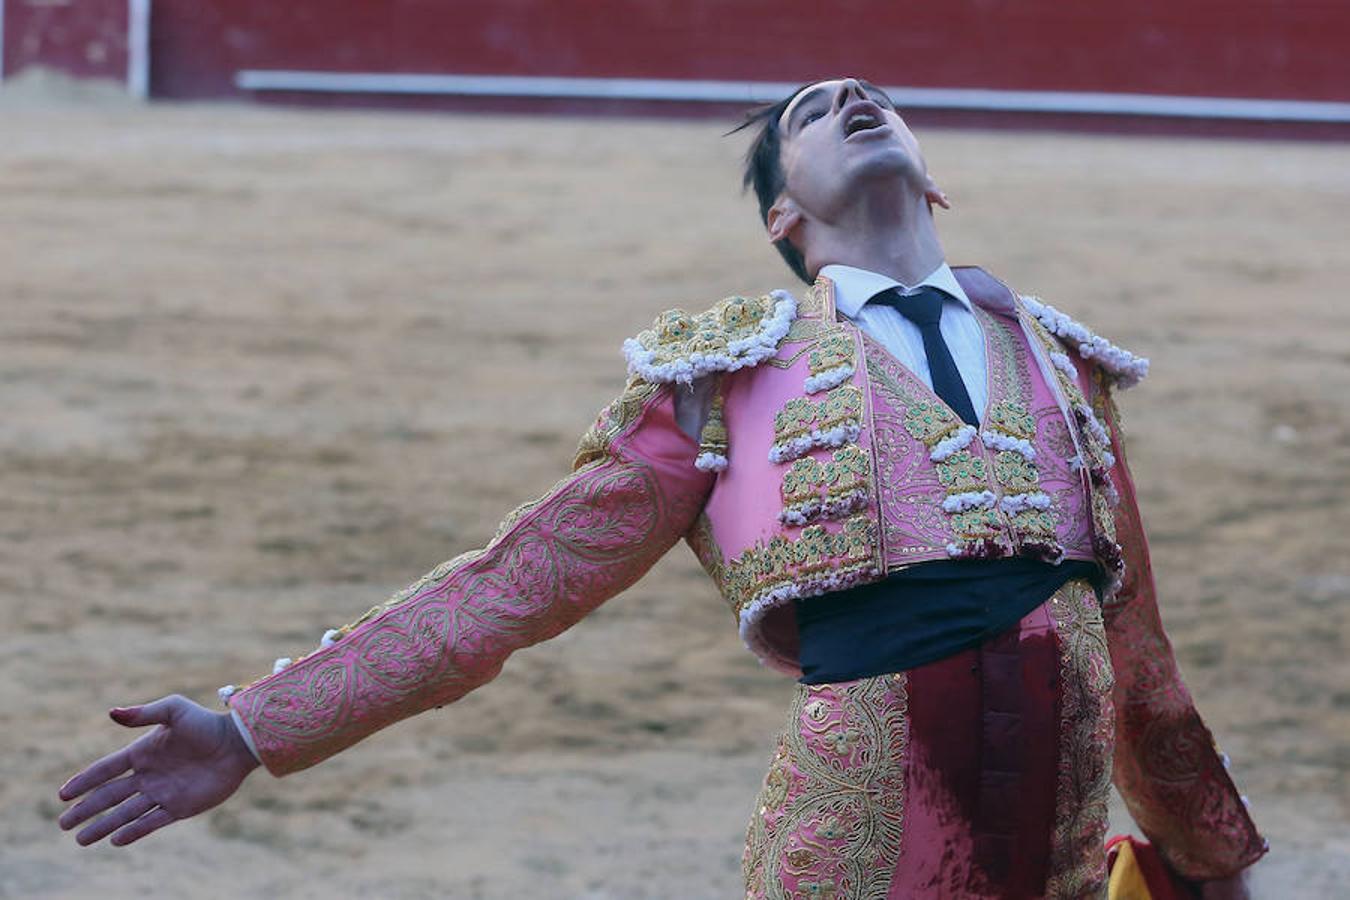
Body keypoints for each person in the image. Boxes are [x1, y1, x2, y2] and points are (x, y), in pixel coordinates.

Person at [59, 77, 1266, 898]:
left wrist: (1209, 852)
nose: (854, 99)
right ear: (786, 216)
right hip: (861, 825)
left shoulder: (1061, 364)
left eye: (874, 98)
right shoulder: (728, 378)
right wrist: (256, 726)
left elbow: (1138, 649)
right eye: (814, 109)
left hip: (1053, 839)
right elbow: (512, 587)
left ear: (932, 181)